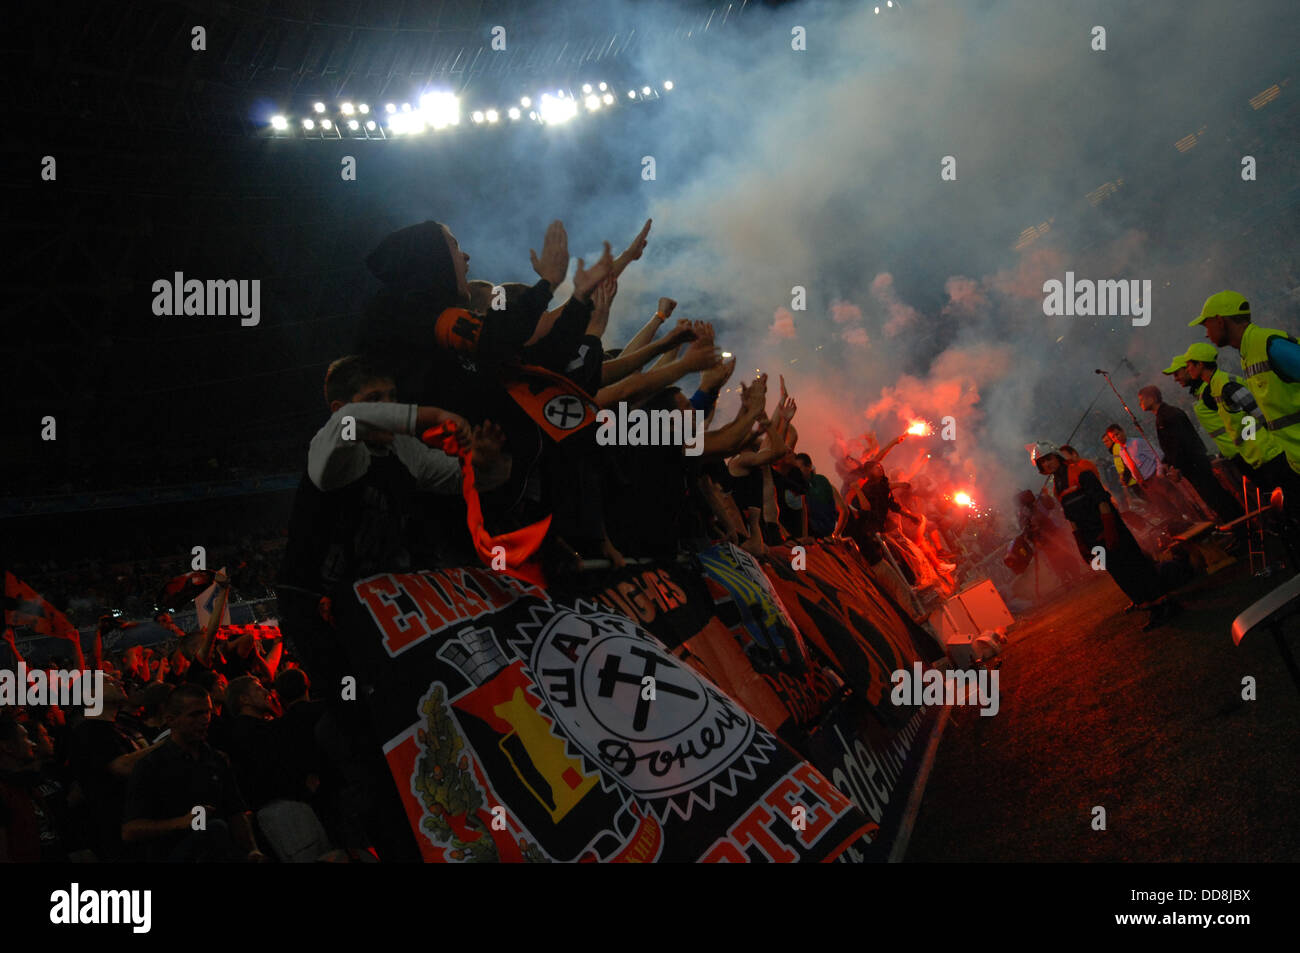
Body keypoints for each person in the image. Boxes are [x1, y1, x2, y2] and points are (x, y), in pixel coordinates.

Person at [1031, 442, 1177, 630]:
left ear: (1057, 456)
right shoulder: (1057, 487)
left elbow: (1101, 499)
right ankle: (1151, 609)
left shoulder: (1080, 470)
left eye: (1049, 458)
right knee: (1119, 573)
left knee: (1135, 565)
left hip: (1109, 528)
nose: (1048, 464)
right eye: (1043, 463)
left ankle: (1166, 604)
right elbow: (1071, 516)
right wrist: (1080, 542)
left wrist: (1109, 528)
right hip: (1091, 537)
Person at [121, 684, 265, 862]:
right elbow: (130, 830)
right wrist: (181, 822)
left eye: (208, 712)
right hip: (174, 853)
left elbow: (236, 812)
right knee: (215, 828)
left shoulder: (215, 760)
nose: (205, 719)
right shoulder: (152, 765)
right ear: (171, 720)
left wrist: (252, 850)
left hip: (217, 852)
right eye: (195, 714)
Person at [1192, 289, 1300, 479]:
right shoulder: (1250, 353)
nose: (1207, 334)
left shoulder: (1268, 344)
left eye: (1206, 326)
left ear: (1220, 321)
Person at [1138, 384, 1243, 522]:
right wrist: (1166, 463)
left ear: (1152, 398)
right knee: (1213, 496)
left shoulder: (1169, 415)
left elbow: (1179, 444)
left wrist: (1176, 467)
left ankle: (1239, 523)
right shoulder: (1164, 415)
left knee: (1215, 496)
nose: (1140, 404)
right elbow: (1170, 446)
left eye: (1141, 400)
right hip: (1192, 463)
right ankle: (1237, 522)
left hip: (1194, 463)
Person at [1102, 424, 1185, 523]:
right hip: (1145, 483)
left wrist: (1159, 472)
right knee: (1164, 507)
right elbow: (1131, 467)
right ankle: (1180, 525)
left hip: (1154, 476)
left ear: (1122, 431)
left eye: (1117, 434)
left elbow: (1157, 454)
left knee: (1177, 499)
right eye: (1113, 437)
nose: (1116, 438)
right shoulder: (1121, 451)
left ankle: (1194, 519)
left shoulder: (1137, 443)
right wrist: (1136, 480)